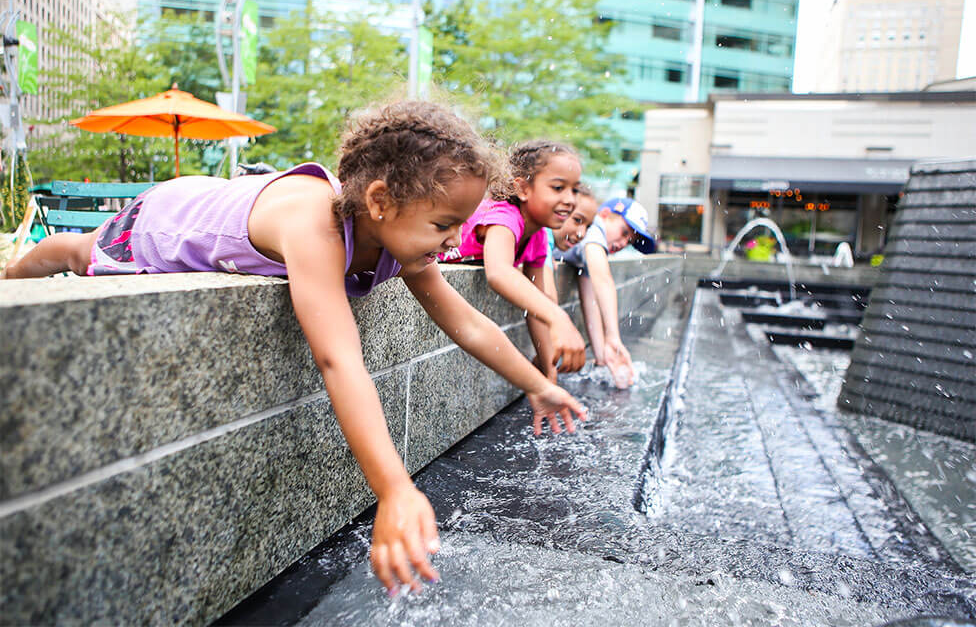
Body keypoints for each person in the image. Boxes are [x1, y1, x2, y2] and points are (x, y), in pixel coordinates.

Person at [3, 102, 587, 595]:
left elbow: (468, 324)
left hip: (225, 198)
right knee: (80, 254)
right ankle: (17, 274)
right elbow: (338, 358)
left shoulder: (402, 236)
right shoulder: (318, 226)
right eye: (443, 224)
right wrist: (393, 488)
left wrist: (537, 384)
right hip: (170, 219)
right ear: (380, 201)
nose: (457, 239)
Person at [439, 140, 587, 382]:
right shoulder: (504, 217)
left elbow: (536, 305)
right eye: (559, 188)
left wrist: (549, 377)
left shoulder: (538, 234)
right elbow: (499, 272)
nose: (570, 199)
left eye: (575, 190)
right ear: (523, 189)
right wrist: (559, 317)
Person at [555, 197, 656, 388]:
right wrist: (613, 337)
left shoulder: (589, 246)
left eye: (630, 241)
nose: (623, 242)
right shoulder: (593, 229)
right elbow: (602, 279)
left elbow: (590, 300)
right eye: (625, 232)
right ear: (604, 215)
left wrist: (603, 357)